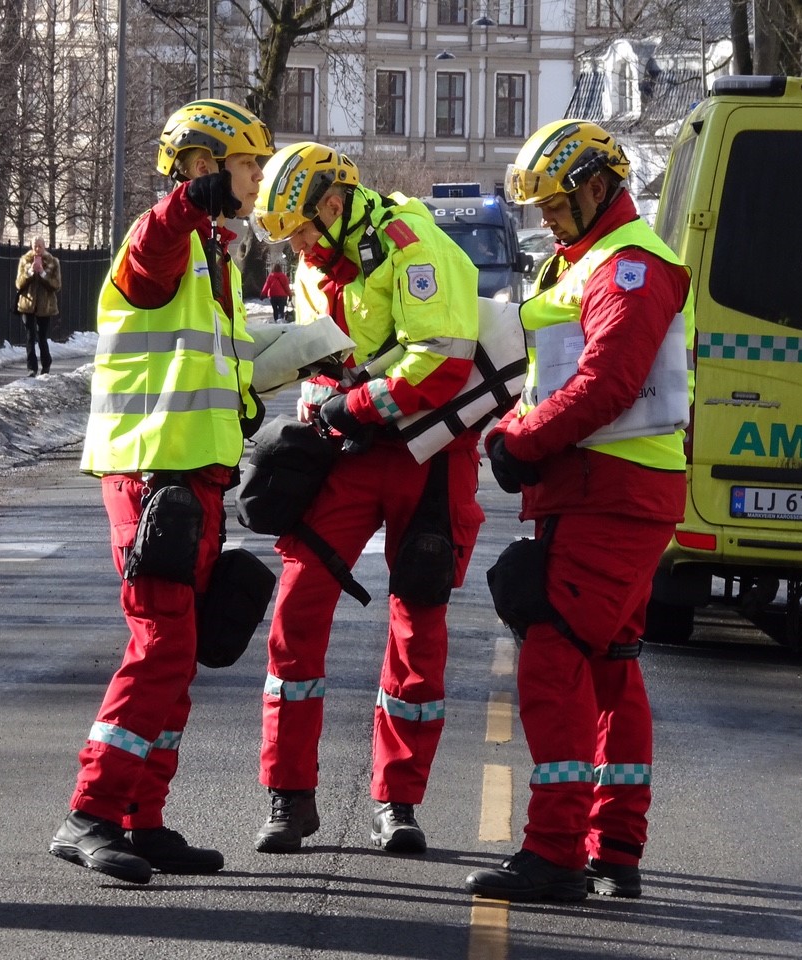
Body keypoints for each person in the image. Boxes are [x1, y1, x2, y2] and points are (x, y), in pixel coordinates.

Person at [462, 119, 692, 902]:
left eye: (556, 205)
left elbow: (607, 382)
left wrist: (521, 440)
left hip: (612, 492)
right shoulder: (591, 260)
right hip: (606, 490)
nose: (547, 220)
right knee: (611, 666)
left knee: (552, 658)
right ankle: (616, 844)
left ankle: (555, 850)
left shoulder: (629, 267)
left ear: (599, 187)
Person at [49, 99, 273, 885]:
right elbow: (150, 251)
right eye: (246, 164)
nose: (257, 177)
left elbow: (197, 362)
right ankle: (91, 814)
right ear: (206, 167)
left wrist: (246, 395)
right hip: (152, 478)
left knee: (179, 654)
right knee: (161, 646)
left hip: (195, 477)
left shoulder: (217, 253)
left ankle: (143, 818)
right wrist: (187, 202)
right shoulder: (169, 236)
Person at [249, 141, 485, 856]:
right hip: (347, 454)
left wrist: (355, 405)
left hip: (425, 455)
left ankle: (398, 801)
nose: (294, 246)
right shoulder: (313, 262)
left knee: (418, 624)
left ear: (332, 203)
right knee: (297, 604)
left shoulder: (413, 247)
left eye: (298, 229)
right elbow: (321, 353)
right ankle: (289, 795)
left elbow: (442, 360)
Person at [15, 237, 61, 376]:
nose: (37, 249)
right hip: (27, 305)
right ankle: (32, 368)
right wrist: (29, 272)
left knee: (42, 336)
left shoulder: (53, 262)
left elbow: (56, 285)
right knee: (30, 336)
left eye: (40, 246)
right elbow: (18, 284)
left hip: (44, 306)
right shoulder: (25, 260)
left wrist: (42, 273)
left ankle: (46, 363)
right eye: (35, 246)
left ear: (44, 246)